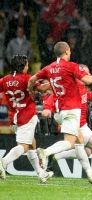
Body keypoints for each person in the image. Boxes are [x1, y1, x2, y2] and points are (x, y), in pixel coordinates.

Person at [27, 41, 92, 183]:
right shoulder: (71, 67)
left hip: (59, 111)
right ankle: (46, 152)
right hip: (71, 110)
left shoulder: (49, 68)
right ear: (67, 52)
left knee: (80, 141)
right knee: (70, 143)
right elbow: (87, 80)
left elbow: (33, 79)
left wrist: (30, 89)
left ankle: (90, 173)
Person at [0, 55, 53, 183]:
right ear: (23, 66)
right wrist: (56, 81)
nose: (28, 67)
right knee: (23, 146)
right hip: (27, 116)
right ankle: (3, 162)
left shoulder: (4, 80)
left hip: (13, 117)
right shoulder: (27, 78)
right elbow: (43, 88)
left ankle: (41, 173)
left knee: (31, 144)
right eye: (27, 64)